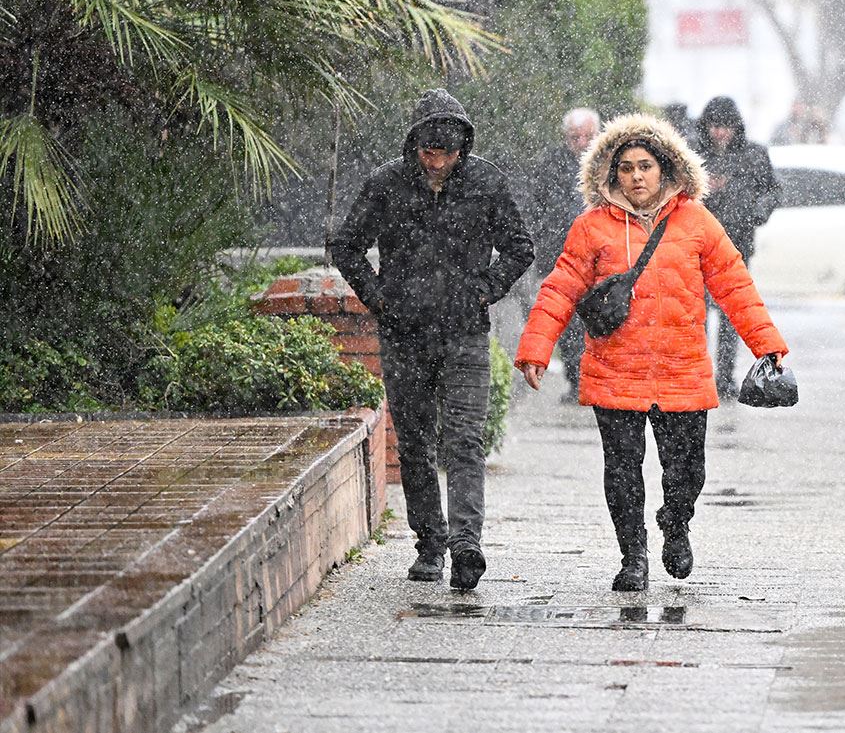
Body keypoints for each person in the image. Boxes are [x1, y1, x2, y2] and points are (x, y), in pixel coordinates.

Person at [514, 113, 788, 592]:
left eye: (645, 166)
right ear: (610, 173)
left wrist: (767, 346)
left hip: (682, 369)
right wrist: (537, 346)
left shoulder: (697, 222)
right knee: (622, 472)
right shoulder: (592, 227)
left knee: (688, 471)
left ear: (666, 169)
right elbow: (560, 287)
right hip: (615, 370)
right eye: (625, 168)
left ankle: (675, 521)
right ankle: (633, 556)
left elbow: (735, 286)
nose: (636, 176)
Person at [330, 89, 534, 590]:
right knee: (417, 443)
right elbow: (346, 245)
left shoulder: (485, 183)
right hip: (404, 334)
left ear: (461, 148)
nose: (437, 161)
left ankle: (467, 544)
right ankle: (430, 543)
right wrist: (380, 298)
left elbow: (519, 247)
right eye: (428, 152)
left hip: (464, 332)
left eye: (446, 152)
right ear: (415, 147)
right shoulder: (386, 184)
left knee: (464, 441)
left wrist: (482, 290)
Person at [695, 96, 781, 396]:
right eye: (715, 127)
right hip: (697, 248)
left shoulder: (754, 155)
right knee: (697, 314)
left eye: (726, 127)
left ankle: (725, 376)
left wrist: (756, 212)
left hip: (737, 245)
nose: (720, 134)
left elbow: (772, 191)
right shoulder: (693, 154)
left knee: (732, 315)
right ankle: (700, 372)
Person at [523, 107, 601, 401]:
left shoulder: (607, 162)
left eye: (587, 136)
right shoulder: (549, 163)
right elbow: (536, 205)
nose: (581, 143)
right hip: (560, 254)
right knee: (567, 323)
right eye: (575, 137)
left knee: (597, 321)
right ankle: (576, 379)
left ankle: (594, 378)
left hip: (599, 257)